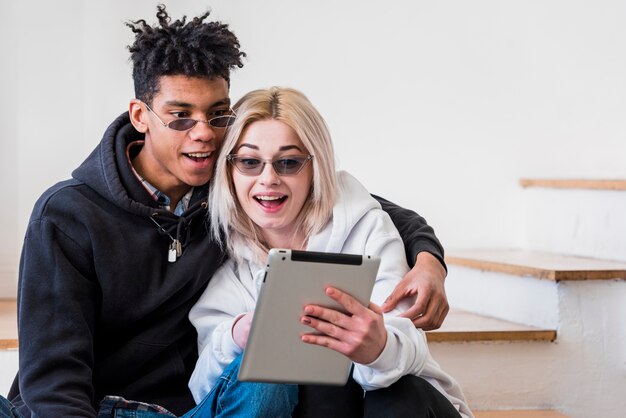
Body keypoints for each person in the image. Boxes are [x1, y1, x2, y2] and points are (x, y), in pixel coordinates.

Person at [3, 5, 449, 417]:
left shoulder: (233, 179)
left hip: (194, 409)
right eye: (180, 117)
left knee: (270, 376)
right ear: (140, 115)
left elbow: (342, 197)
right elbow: (54, 376)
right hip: (95, 409)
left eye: (217, 116)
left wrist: (428, 256)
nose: (203, 135)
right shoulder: (67, 215)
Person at [188, 86, 473, 418]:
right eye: (250, 162)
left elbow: (408, 342)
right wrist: (237, 335)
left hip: (398, 404)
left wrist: (378, 347)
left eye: (289, 162)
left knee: (394, 393)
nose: (269, 178)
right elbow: (204, 391)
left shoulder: (366, 228)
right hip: (315, 406)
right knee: (307, 379)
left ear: (315, 167)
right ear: (229, 171)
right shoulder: (224, 263)